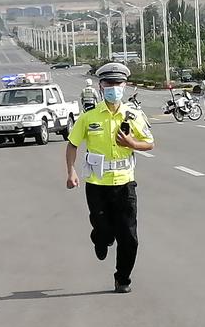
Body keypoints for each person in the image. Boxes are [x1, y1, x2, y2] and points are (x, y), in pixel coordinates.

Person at [65, 63, 154, 293]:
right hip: (97, 185)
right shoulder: (89, 117)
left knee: (129, 237)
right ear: (101, 87)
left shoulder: (133, 115)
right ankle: (101, 238)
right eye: (109, 84)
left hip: (125, 183)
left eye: (118, 84)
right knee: (104, 228)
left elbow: (150, 142)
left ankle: (122, 278)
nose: (114, 88)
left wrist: (132, 144)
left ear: (125, 86)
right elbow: (72, 144)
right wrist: (71, 171)